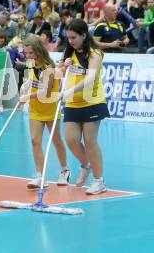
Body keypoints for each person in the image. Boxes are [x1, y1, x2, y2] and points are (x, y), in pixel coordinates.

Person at [60, 19, 110, 195]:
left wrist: (71, 90)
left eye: (74, 37)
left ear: (83, 35)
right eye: (68, 38)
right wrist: (63, 67)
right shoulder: (70, 53)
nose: (71, 41)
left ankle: (99, 181)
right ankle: (86, 165)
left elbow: (90, 78)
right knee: (71, 140)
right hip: (73, 102)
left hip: (92, 101)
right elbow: (60, 75)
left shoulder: (95, 53)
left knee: (90, 142)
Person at [19, 35, 70, 189]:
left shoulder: (48, 67)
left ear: (39, 51)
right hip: (35, 107)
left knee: (56, 140)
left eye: (31, 53)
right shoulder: (30, 63)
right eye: (26, 53)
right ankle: (40, 176)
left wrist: (26, 97)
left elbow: (45, 93)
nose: (28, 56)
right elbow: (32, 79)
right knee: (35, 140)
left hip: (50, 106)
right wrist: (25, 85)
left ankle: (64, 170)